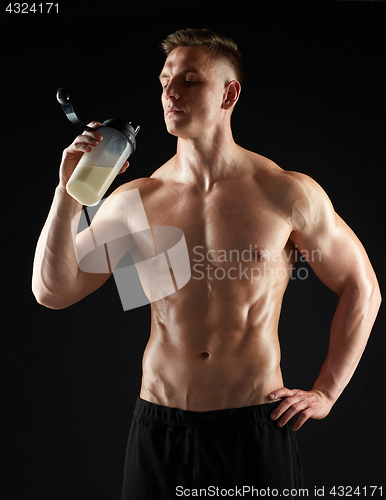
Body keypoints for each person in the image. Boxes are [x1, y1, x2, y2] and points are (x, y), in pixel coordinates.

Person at [32, 29, 381, 498]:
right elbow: (52, 291)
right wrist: (68, 196)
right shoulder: (138, 199)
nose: (170, 92)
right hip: (161, 425)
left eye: (190, 81)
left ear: (228, 93)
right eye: (164, 81)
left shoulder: (284, 193)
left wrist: (327, 393)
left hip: (254, 426)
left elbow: (362, 285)